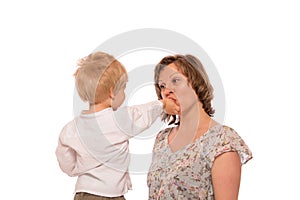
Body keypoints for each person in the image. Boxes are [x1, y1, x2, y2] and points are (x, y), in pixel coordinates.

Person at [55, 52, 179, 200]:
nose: (124, 93)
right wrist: (163, 105)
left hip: (83, 193)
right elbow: (142, 114)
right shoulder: (118, 120)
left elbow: (65, 161)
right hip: (111, 195)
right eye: (123, 88)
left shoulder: (71, 129)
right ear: (112, 92)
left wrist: (77, 168)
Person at [147, 54, 252, 199]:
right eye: (162, 86)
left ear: (197, 83)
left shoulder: (222, 140)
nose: (166, 91)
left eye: (175, 80)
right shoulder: (162, 139)